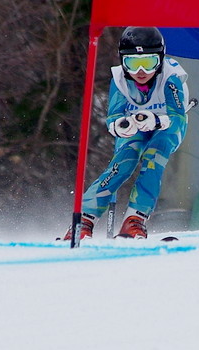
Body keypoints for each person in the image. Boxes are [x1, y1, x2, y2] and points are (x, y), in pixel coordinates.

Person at [64, 26, 189, 240]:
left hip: (168, 127)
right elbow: (113, 116)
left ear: (160, 60)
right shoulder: (120, 79)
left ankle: (135, 220)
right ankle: (84, 219)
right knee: (123, 161)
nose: (141, 71)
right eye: (132, 63)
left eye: (149, 63)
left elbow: (177, 118)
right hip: (136, 124)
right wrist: (119, 125)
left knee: (153, 158)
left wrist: (157, 120)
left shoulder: (171, 77)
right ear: (123, 62)